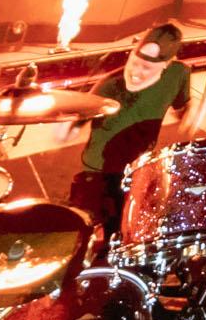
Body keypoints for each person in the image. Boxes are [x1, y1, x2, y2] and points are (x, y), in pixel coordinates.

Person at [75, 23, 196, 222]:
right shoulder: (108, 85)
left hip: (138, 166)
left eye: (146, 67)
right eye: (135, 62)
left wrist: (191, 112)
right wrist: (65, 126)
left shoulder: (178, 73)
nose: (136, 72)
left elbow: (182, 105)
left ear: (167, 63)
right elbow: (73, 123)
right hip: (99, 171)